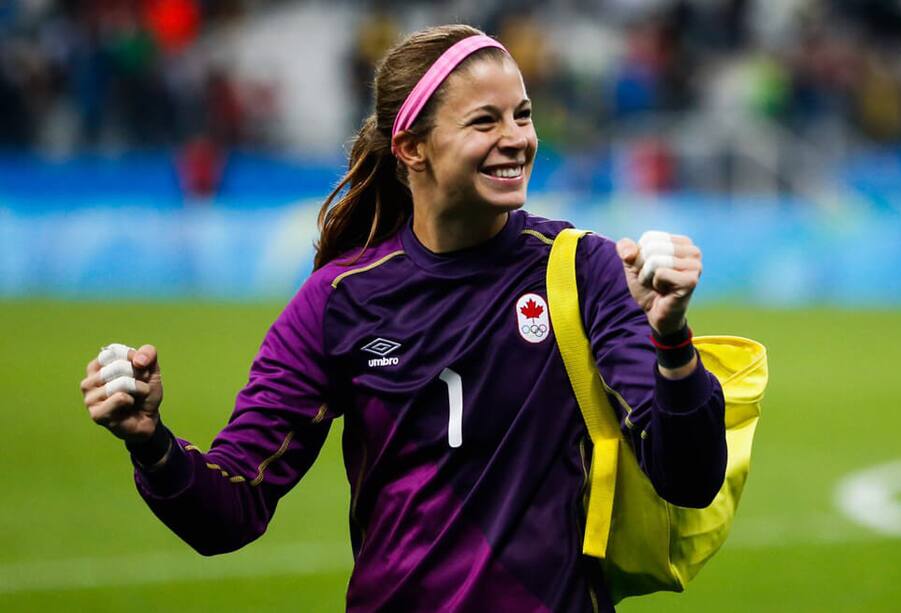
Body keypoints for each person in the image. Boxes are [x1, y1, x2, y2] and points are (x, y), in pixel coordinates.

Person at [79, 24, 726, 613]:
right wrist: (151, 441)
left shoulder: (582, 269)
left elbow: (688, 479)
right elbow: (228, 511)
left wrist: (671, 339)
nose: (518, 139)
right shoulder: (339, 300)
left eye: (523, 116)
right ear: (412, 148)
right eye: (484, 121)